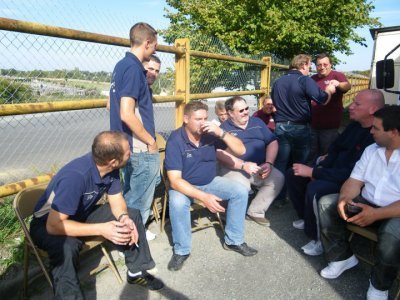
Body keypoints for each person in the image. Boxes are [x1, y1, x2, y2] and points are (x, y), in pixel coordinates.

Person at [30, 131, 164, 299]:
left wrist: (124, 218)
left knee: (132, 215)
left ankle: (136, 271)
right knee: (67, 246)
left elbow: (116, 200)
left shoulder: (109, 168)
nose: (131, 153)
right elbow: (54, 225)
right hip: (47, 224)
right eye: (128, 152)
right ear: (113, 161)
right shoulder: (76, 177)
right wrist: (102, 229)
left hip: (79, 215)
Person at [286, 89, 385, 255]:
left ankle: (318, 238)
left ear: (372, 110)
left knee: (316, 188)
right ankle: (307, 217)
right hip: (334, 171)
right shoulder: (354, 126)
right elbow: (335, 148)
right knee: (293, 173)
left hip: (352, 182)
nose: (351, 107)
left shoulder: (376, 137)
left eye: (357, 103)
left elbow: (351, 174)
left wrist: (314, 173)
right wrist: (320, 168)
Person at [318, 105, 400, 300]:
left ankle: (380, 285)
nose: (370, 131)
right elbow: (354, 181)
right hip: (366, 202)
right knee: (327, 203)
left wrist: (376, 214)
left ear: (394, 132)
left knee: (391, 236)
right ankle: (342, 258)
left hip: (395, 211)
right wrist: (344, 198)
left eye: (376, 128)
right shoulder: (372, 150)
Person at [165, 101, 257, 272]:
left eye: (205, 118)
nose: (203, 123)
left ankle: (234, 241)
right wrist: (203, 197)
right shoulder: (175, 140)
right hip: (184, 186)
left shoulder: (210, 134)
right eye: (198, 119)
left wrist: (221, 132)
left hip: (209, 182)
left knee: (240, 191)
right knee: (177, 202)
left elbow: (241, 150)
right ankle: (181, 251)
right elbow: (175, 181)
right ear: (186, 119)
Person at [109, 23, 160, 240]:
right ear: (147, 42)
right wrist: (150, 140)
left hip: (124, 143)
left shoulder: (120, 65)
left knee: (131, 192)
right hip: (139, 146)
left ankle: (130, 235)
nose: (154, 51)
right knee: (139, 197)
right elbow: (126, 113)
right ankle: (130, 242)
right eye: (154, 47)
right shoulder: (133, 68)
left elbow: (110, 105)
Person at [271, 54, 336, 205]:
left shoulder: (278, 81)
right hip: (300, 126)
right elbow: (322, 99)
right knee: (300, 163)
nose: (310, 70)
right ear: (304, 65)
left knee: (281, 163)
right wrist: (330, 89)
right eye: (309, 66)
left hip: (280, 126)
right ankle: (298, 198)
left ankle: (279, 197)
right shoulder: (303, 79)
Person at [216, 96, 284, 226]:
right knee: (241, 188)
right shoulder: (224, 128)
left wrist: (269, 163)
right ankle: (226, 212)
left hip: (259, 167)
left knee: (278, 178)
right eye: (241, 110)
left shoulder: (257, 122)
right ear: (230, 113)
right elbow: (219, 153)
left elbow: (272, 142)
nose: (246, 112)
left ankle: (255, 211)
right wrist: (243, 165)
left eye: (247, 108)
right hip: (234, 168)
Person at [309, 53, 351, 163]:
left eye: (325, 64)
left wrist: (338, 84)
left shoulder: (337, 75)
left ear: (330, 65)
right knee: (311, 153)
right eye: (319, 65)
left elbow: (347, 86)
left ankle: (322, 174)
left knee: (326, 153)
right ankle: (309, 174)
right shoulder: (312, 78)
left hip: (329, 125)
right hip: (312, 124)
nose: (322, 67)